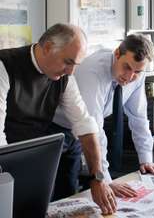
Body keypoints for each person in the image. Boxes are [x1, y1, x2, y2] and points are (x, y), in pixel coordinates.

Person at [0, 23, 117, 215]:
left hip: (33, 151)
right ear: (47, 47)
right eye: (68, 62)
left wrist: (98, 177)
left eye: (75, 65)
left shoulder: (64, 76)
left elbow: (85, 124)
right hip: (8, 153)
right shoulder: (4, 65)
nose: (71, 72)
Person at [53, 33, 154, 199]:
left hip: (83, 133)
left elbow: (139, 117)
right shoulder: (93, 72)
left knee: (70, 192)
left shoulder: (136, 76)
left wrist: (146, 159)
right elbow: (94, 129)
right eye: (126, 67)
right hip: (57, 129)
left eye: (137, 71)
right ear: (117, 54)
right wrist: (104, 179)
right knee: (54, 193)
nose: (129, 77)